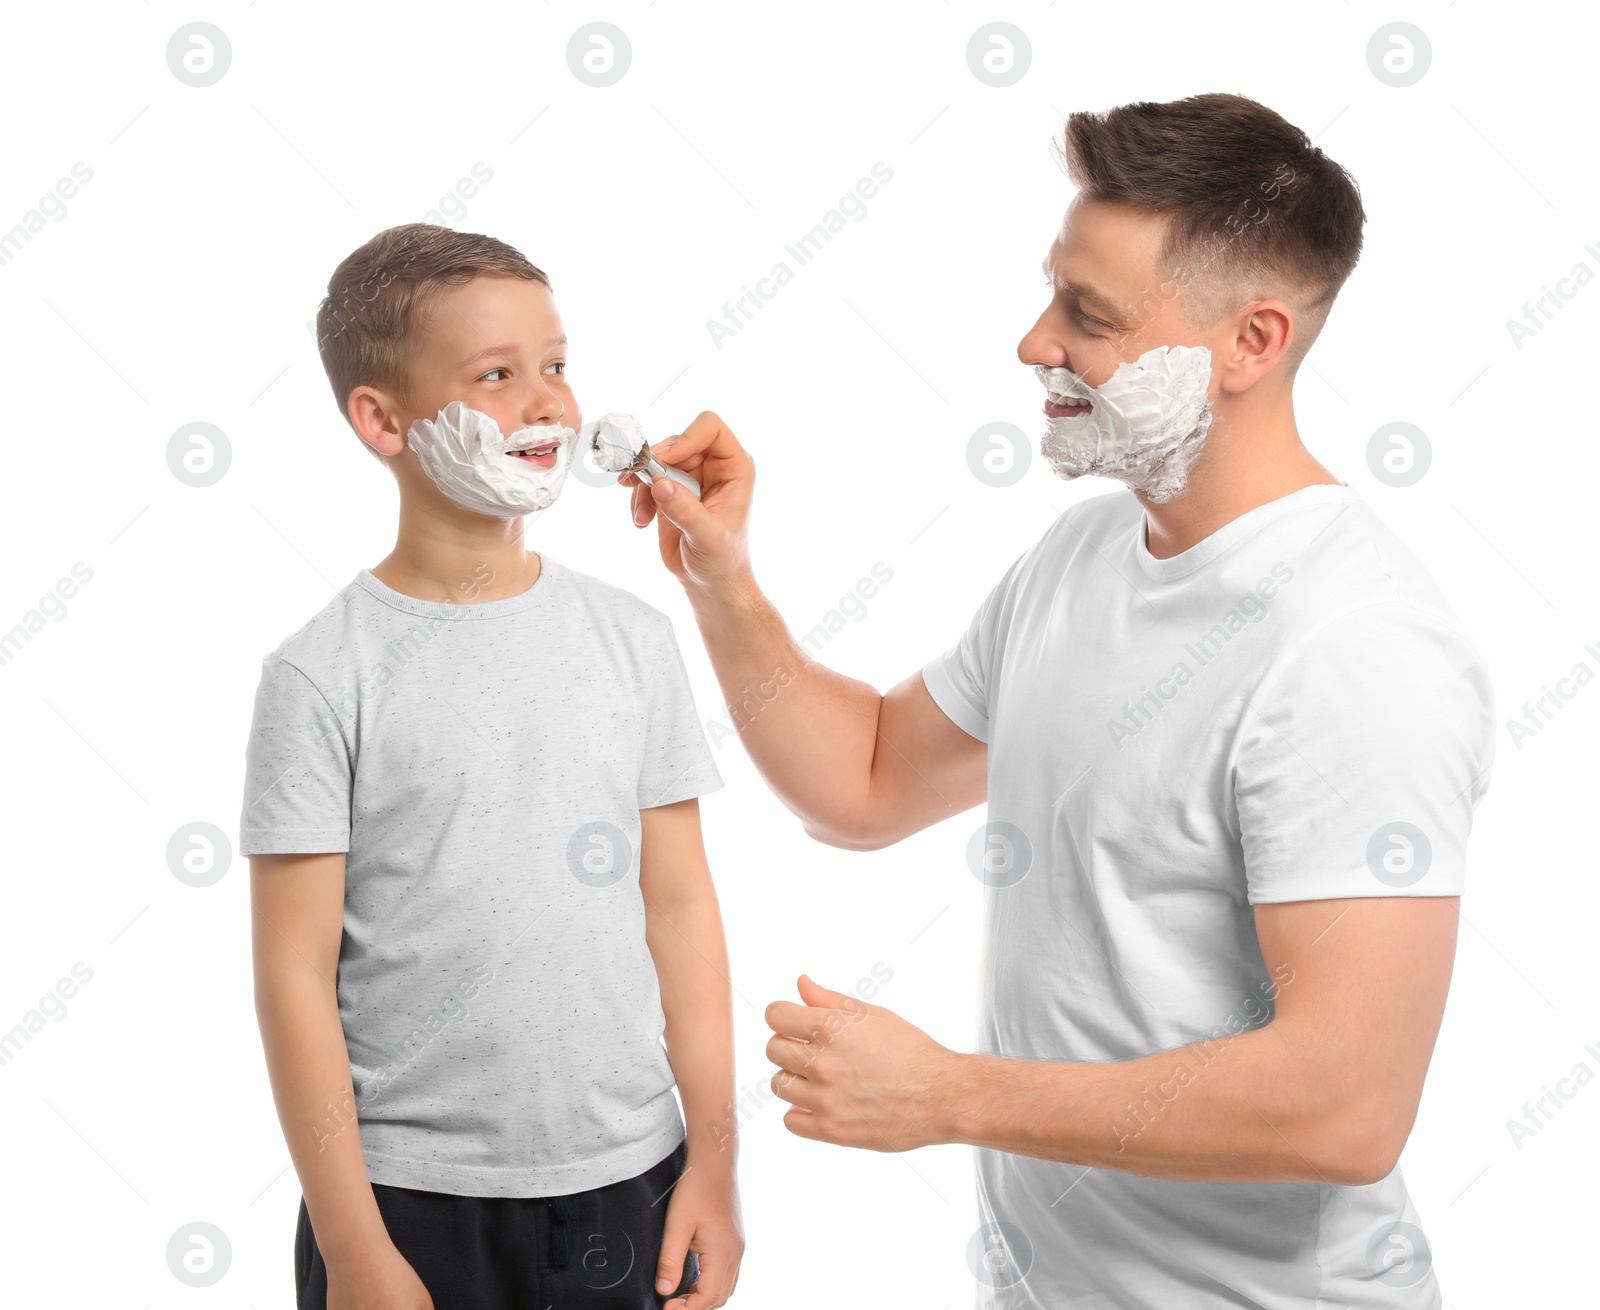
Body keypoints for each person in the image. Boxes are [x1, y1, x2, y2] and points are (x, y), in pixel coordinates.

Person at [623, 93, 1495, 1307]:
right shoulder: (1082, 559)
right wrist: (723, 580)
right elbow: (864, 780)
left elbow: (1345, 1106)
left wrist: (948, 1093)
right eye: (1052, 296)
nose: (1035, 344)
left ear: (1250, 342)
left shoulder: (1355, 646)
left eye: (1088, 315)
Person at [240, 224, 744, 1310]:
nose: (549, 404)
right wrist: (355, 1246)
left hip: (630, 1182)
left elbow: (682, 905)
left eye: (556, 365)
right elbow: (292, 975)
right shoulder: (322, 674)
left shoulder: (633, 637)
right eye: (497, 375)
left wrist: (716, 1160)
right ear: (381, 419)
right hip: (406, 1201)